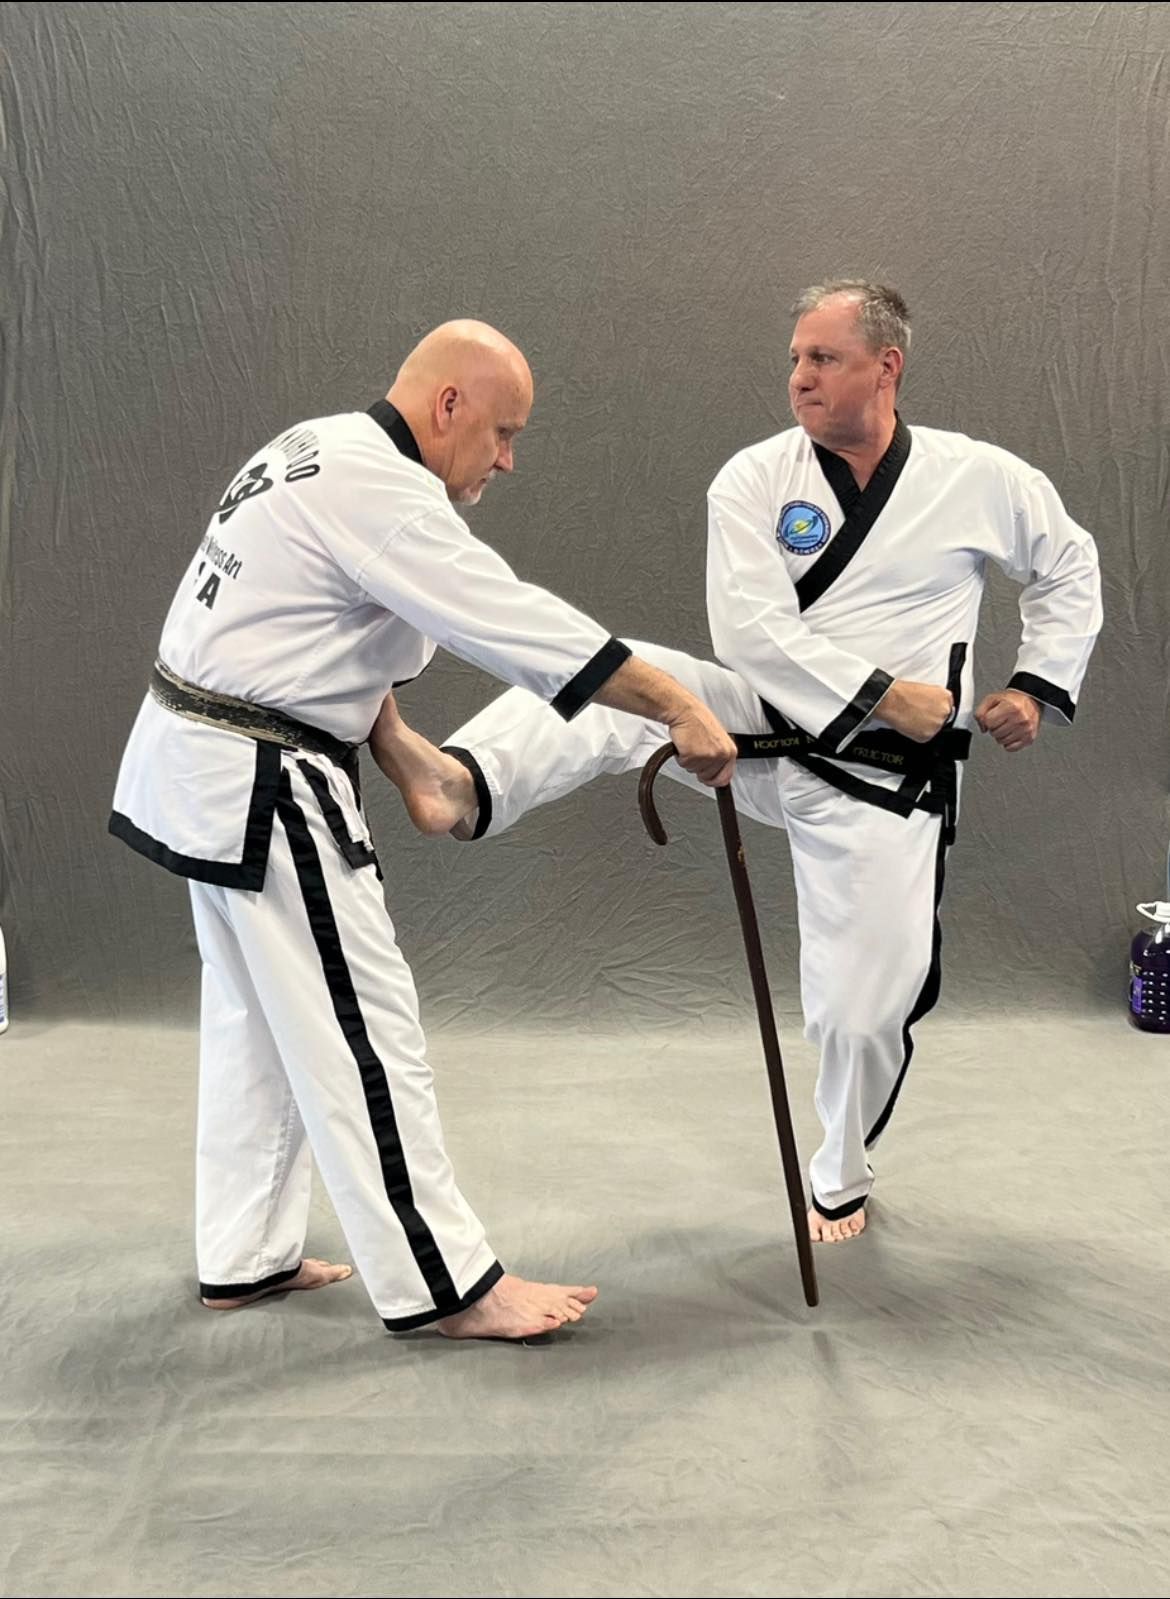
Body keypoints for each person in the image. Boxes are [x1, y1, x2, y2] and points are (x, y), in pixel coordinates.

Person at [378, 281, 1103, 1245]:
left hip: (885, 785)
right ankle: (467, 779)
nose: (799, 377)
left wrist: (1036, 686)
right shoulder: (756, 478)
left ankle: (840, 1171)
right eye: (796, 358)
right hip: (763, 727)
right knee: (628, 681)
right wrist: (883, 692)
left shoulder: (979, 479)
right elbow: (750, 632)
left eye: (824, 358)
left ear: (887, 366)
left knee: (861, 1015)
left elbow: (1069, 564)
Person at [108, 320, 737, 1339]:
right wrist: (675, 703)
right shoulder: (386, 493)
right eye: (503, 431)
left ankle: (243, 1257)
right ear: (449, 404)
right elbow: (520, 626)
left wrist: (406, 760)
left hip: (205, 760)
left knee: (259, 1022)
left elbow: (328, 633)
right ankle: (451, 1286)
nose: (508, 459)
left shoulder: (314, 446)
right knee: (368, 1030)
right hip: (262, 780)